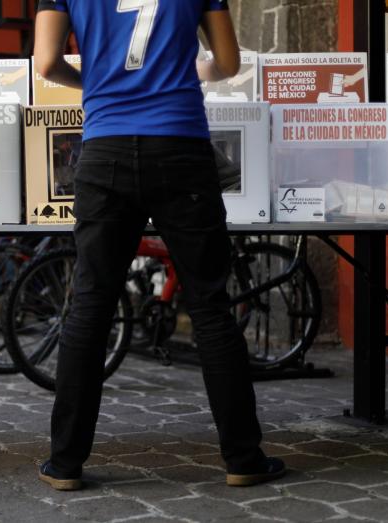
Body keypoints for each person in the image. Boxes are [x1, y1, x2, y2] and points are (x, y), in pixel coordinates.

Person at [33, 0, 286, 491]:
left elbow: (45, 63)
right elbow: (229, 64)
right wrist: (191, 71)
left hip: (106, 146)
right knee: (211, 304)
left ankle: (65, 462)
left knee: (89, 306)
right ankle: (243, 458)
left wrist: (101, 84)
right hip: (180, 146)